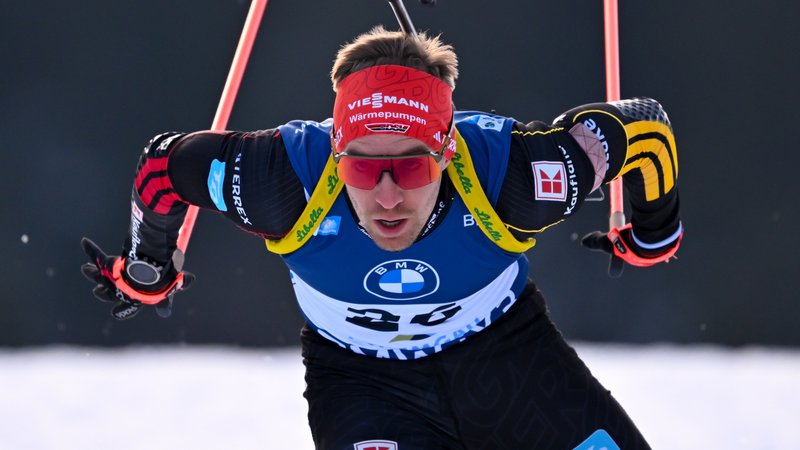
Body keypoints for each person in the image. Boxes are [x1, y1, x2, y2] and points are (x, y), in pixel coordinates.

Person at [81, 26, 682, 449]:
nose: (387, 195)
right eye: (362, 167)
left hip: (509, 363)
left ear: (447, 154)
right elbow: (163, 169)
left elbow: (645, 130)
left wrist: (655, 231)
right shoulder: (284, 180)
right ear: (336, 151)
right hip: (364, 384)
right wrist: (147, 267)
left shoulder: (516, 176)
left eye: (412, 167)